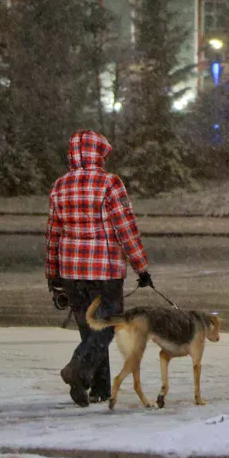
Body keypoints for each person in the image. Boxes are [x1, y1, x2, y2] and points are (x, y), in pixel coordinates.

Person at [46, 130, 151, 408]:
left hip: (71, 271)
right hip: (105, 271)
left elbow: (53, 234)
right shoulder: (109, 184)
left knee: (89, 329)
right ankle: (77, 370)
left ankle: (99, 389)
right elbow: (125, 228)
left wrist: (53, 274)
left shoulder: (59, 185)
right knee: (106, 327)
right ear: (100, 153)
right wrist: (141, 267)